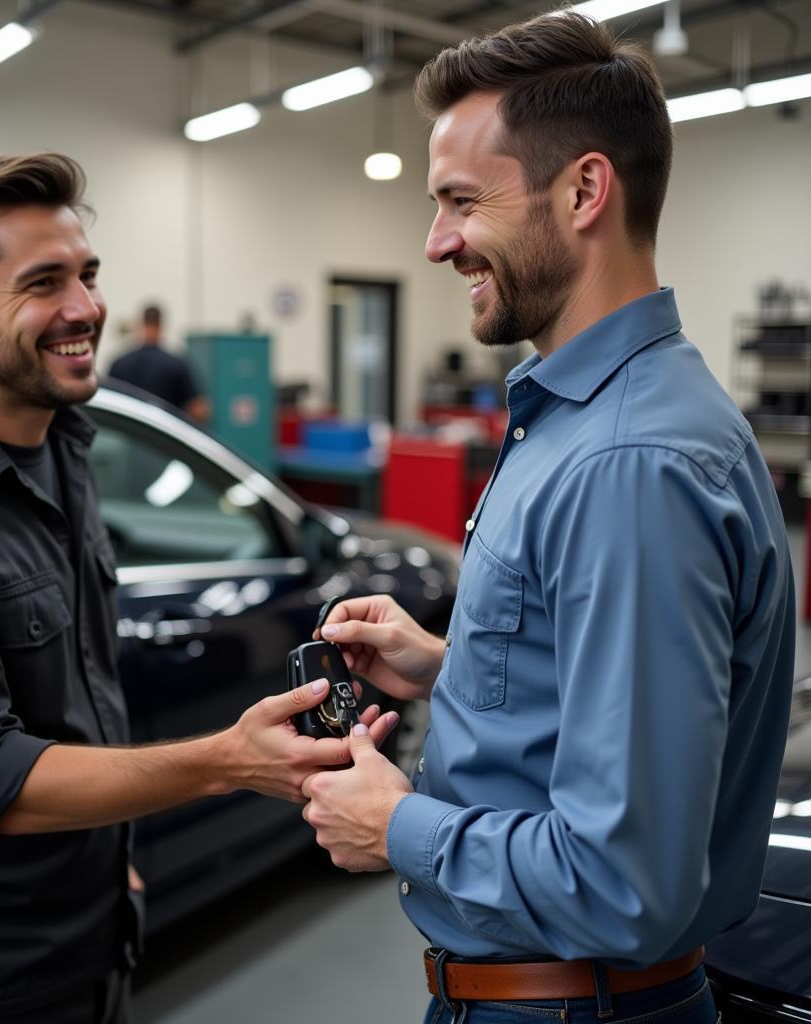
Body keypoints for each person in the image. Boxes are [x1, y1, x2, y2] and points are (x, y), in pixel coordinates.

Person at [0, 153, 396, 1024]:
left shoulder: (63, 442)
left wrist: (112, 856)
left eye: (87, 274)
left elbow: (74, 692)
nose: (85, 308)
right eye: (43, 282)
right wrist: (224, 762)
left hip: (90, 939)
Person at [300, 13, 795, 1024]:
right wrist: (454, 661)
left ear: (582, 191)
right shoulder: (580, 417)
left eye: (458, 202)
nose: (436, 241)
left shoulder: (630, 466)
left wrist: (398, 825)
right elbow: (615, 689)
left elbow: (624, 881)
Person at [106, 304, 210, 421]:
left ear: (141, 324)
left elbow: (108, 401)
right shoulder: (176, 364)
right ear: (161, 325)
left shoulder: (120, 363)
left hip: (127, 432)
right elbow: (199, 410)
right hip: (163, 434)